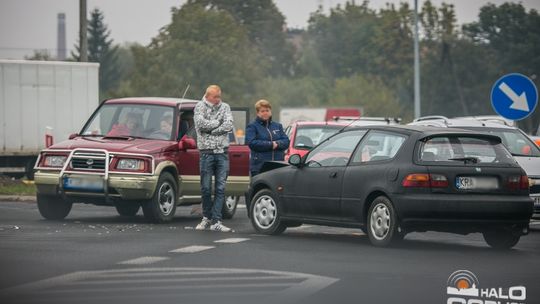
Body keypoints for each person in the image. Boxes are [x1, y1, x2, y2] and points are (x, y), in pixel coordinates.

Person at [193, 85, 234, 232]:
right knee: (205, 187)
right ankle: (206, 218)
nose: (218, 99)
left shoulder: (225, 107)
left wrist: (212, 130)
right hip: (206, 152)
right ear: (208, 96)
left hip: (222, 152)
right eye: (216, 97)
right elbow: (200, 124)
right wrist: (218, 123)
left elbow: (229, 124)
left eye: (219, 96)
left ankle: (217, 221)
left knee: (220, 187)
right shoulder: (199, 107)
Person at [245, 99, 290, 176]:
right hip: (260, 167)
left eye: (267, 110)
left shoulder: (278, 126)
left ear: (270, 111)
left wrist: (277, 144)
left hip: (278, 166)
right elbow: (252, 143)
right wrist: (270, 145)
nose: (265, 113)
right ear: (258, 113)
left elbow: (286, 141)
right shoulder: (252, 126)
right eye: (262, 111)